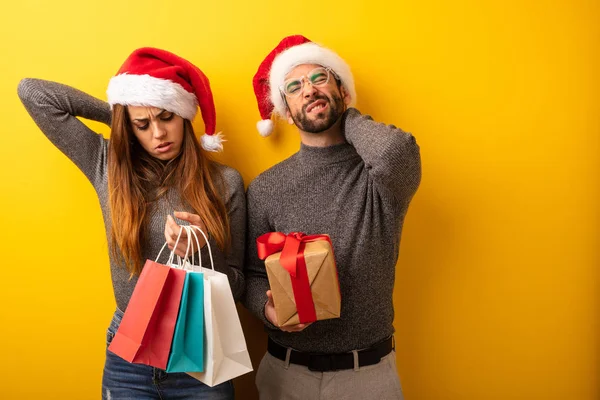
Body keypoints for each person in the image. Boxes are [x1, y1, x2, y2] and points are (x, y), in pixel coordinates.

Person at [18, 47, 245, 400]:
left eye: (167, 116)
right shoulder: (109, 167)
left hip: (200, 354)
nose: (158, 134)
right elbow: (31, 92)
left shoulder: (225, 183)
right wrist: (121, 115)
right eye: (143, 124)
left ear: (184, 116)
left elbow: (238, 286)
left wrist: (201, 251)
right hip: (128, 359)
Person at [243, 35, 422, 399]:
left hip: (368, 375)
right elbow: (247, 274)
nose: (308, 90)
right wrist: (267, 311)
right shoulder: (266, 187)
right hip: (286, 372)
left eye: (320, 78)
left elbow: (395, 150)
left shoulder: (380, 177)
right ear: (287, 111)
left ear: (344, 91)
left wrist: (344, 112)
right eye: (294, 87)